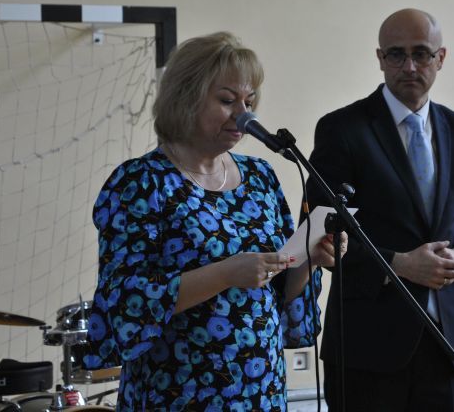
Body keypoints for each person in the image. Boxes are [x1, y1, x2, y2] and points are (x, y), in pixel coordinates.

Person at [85, 32, 347, 411]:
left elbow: (277, 292)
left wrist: (310, 258)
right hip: (177, 393)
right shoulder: (142, 183)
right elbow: (126, 302)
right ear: (186, 98)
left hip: (261, 390)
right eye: (227, 100)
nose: (245, 114)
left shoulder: (260, 177)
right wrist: (225, 273)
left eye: (249, 101)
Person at [307, 9, 454, 411]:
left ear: (440, 58)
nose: (409, 66)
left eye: (421, 54)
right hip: (367, 346)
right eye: (396, 54)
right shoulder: (342, 129)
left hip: (449, 344)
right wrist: (400, 264)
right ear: (380, 58)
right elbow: (321, 234)